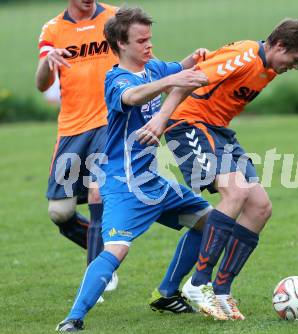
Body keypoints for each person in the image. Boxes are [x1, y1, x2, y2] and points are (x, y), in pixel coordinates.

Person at [55, 7, 223, 332]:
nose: (149, 46)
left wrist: (193, 59)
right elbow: (132, 96)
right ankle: (73, 320)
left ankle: (167, 293)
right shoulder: (117, 79)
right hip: (123, 184)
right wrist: (172, 81)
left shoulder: (153, 68)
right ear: (121, 43)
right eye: (141, 41)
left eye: (150, 39)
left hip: (154, 181)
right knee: (116, 249)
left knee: (213, 223)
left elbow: (182, 68)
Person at [144, 18, 298, 320]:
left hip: (217, 131)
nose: (295, 66)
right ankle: (199, 284)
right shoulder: (246, 55)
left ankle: (222, 289)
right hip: (188, 125)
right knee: (235, 192)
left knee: (261, 207)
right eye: (295, 59)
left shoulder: (268, 66)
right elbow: (190, 78)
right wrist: (161, 119)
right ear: (279, 45)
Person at [35, 0, 120, 299]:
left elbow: (141, 56)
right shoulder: (53, 29)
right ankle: (108, 250)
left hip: (110, 121)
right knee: (60, 212)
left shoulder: (114, 17)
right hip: (72, 128)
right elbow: (41, 84)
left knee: (98, 191)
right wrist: (49, 62)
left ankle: (98, 274)